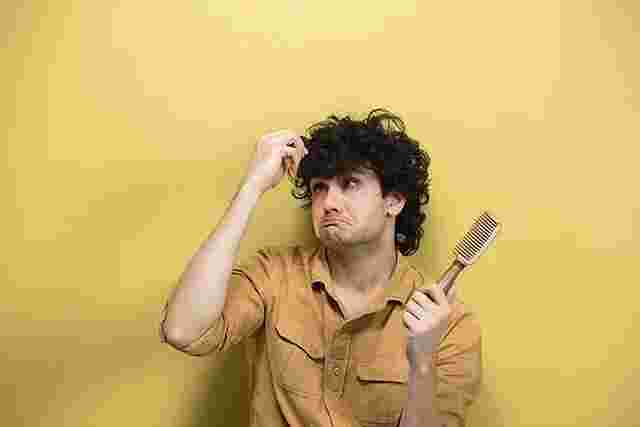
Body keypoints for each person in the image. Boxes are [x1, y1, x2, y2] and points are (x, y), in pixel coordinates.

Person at [159, 109, 482, 427]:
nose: (328, 203)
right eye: (319, 188)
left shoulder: (450, 324)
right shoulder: (274, 274)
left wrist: (422, 360)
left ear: (394, 201)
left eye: (350, 183)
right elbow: (183, 331)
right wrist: (252, 187)